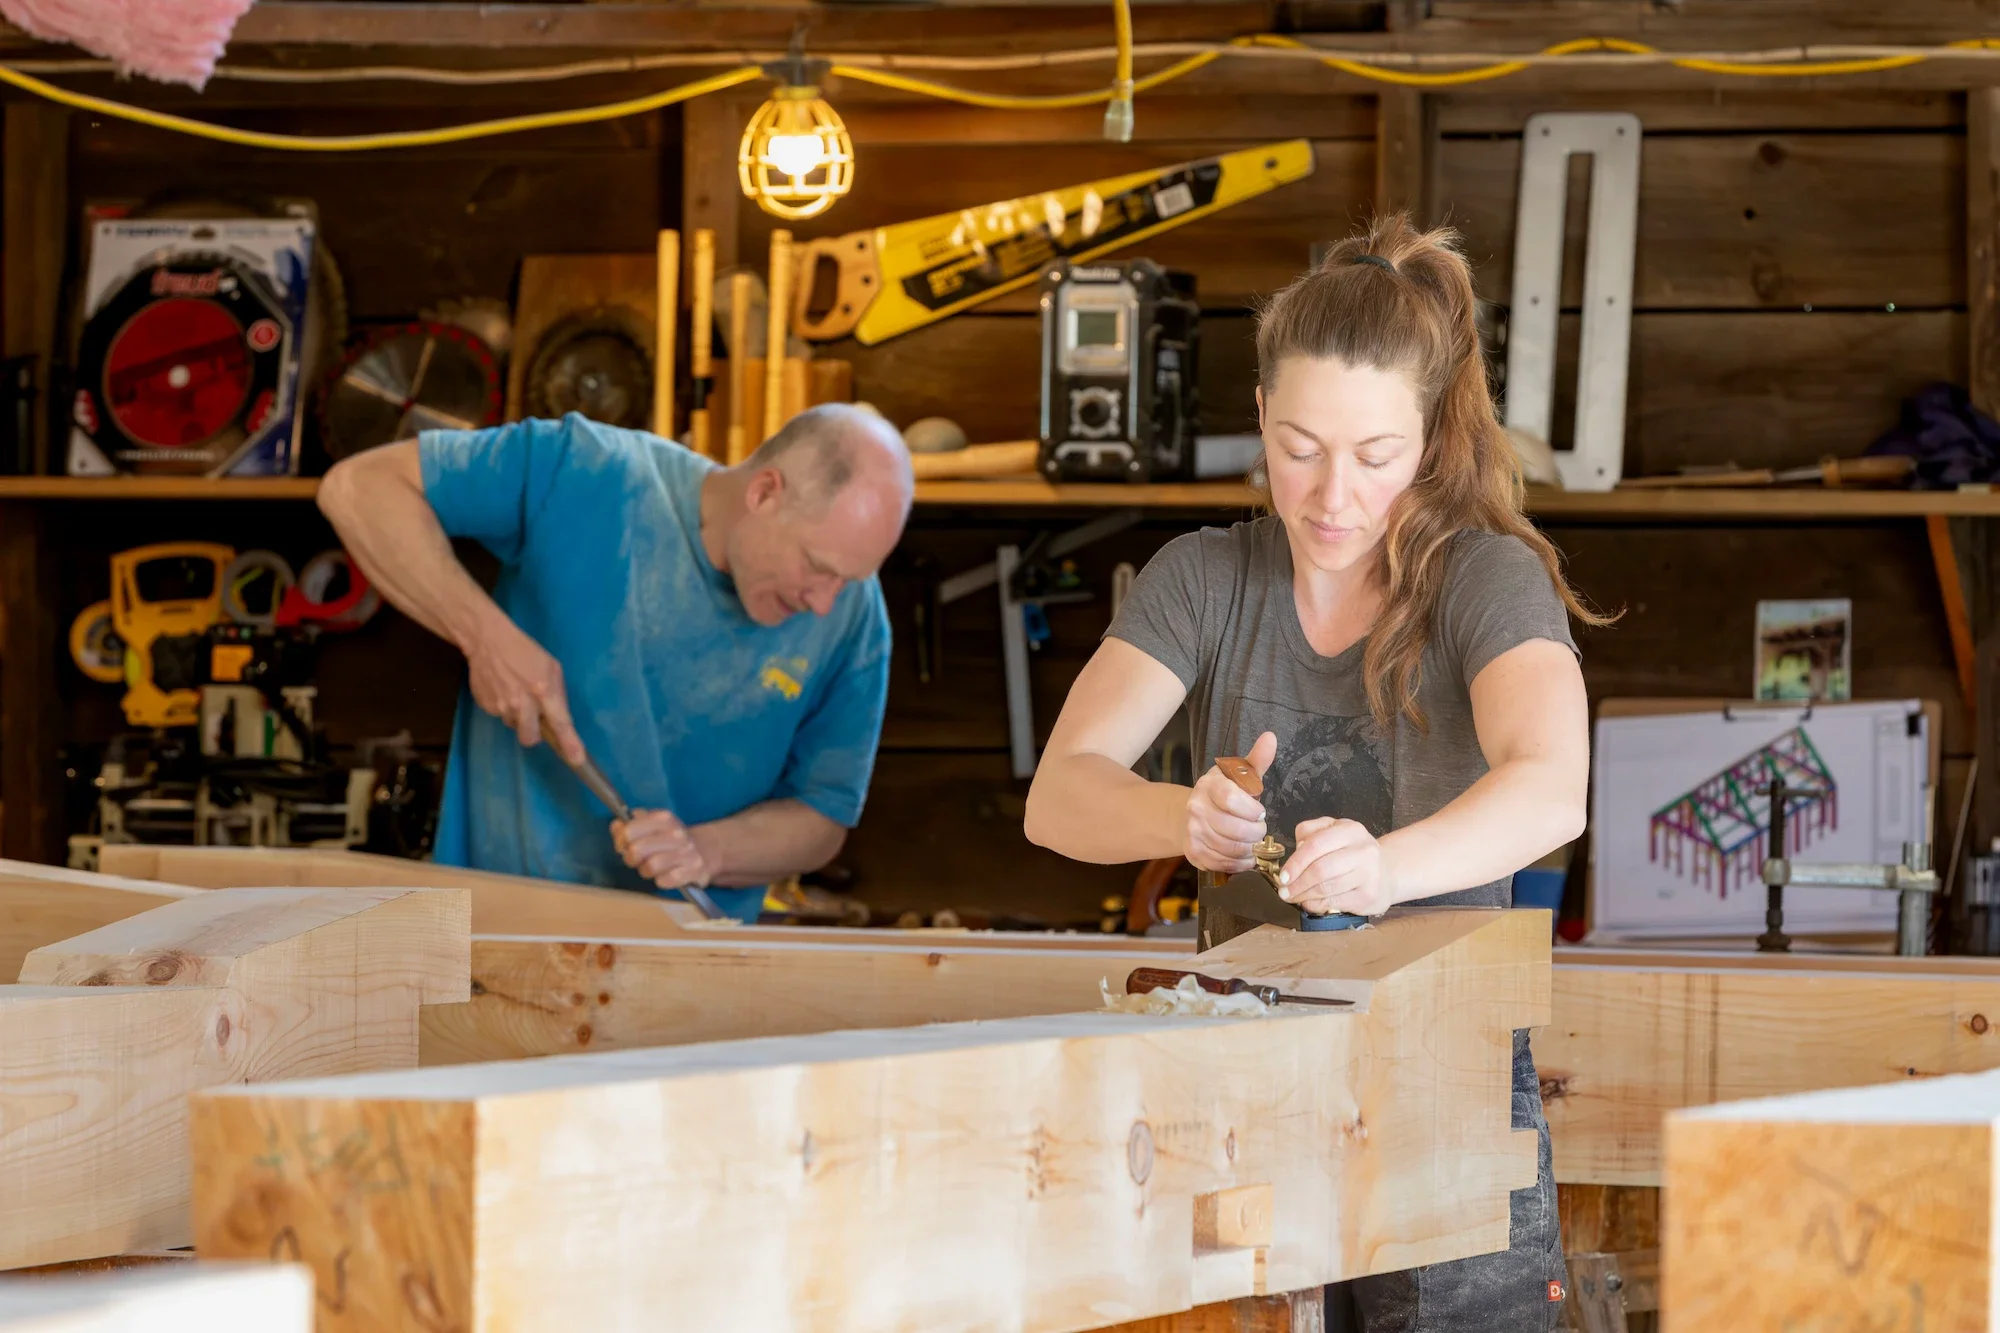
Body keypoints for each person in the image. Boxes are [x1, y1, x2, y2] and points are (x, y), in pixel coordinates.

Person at [1022, 215, 1605, 1331]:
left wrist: (1385, 868)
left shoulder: (1487, 581)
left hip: (1447, 1068)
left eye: (1373, 457)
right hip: (1238, 1063)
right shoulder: (1203, 577)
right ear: (1257, 420)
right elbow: (1061, 795)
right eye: (1298, 448)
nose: (1332, 495)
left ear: (1428, 440)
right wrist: (1183, 814)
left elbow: (1548, 785)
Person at [318, 404, 913, 923]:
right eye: (819, 565)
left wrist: (705, 851)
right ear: (764, 492)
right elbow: (357, 488)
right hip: (496, 938)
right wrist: (483, 636)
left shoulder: (855, 620)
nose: (824, 601)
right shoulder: (584, 469)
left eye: (851, 579)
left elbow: (820, 820)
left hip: (685, 981)